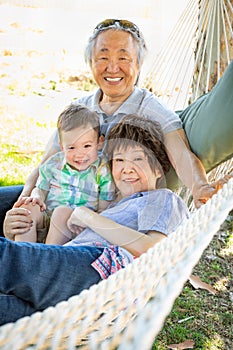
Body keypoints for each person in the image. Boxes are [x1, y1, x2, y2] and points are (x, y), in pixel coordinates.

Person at [2, 19, 233, 237]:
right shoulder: (79, 108)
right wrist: (23, 202)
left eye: (124, 58)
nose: (112, 68)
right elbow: (46, 164)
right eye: (103, 57)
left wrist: (200, 186)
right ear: (91, 62)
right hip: (58, 195)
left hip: (99, 214)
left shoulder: (150, 109)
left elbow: (181, 154)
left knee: (18, 252)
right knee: (10, 212)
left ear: (138, 64)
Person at [0, 114, 190, 325]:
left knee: (6, 255)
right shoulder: (114, 206)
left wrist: (87, 216)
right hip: (65, 282)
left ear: (158, 166)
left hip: (100, 272)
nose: (127, 169)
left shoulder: (162, 198)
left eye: (138, 158)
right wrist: (14, 232)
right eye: (119, 160)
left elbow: (154, 249)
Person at [13, 103, 115, 243]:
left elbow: (104, 209)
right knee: (27, 209)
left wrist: (88, 222)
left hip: (75, 226)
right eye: (71, 147)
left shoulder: (102, 170)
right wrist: (36, 197)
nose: (79, 154)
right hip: (46, 219)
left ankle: (48, 258)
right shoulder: (54, 164)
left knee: (62, 212)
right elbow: (40, 188)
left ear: (99, 142)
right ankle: (22, 253)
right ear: (62, 146)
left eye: (87, 146)